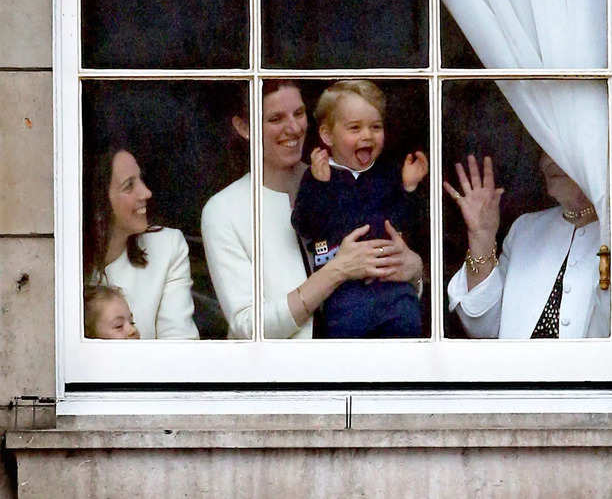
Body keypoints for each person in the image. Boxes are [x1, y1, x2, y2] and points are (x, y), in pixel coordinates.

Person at [201, 80, 424, 339]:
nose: (294, 128)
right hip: (281, 375)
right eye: (275, 119)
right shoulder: (223, 210)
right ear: (244, 127)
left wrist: (414, 269)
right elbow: (248, 326)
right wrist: (337, 271)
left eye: (299, 114)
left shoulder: (340, 178)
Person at [291, 80, 428, 338]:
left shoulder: (388, 174)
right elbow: (305, 224)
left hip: (393, 284)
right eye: (355, 128)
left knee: (407, 328)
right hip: (345, 291)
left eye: (375, 127)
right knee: (348, 349)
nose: (367, 135)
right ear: (327, 135)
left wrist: (408, 188)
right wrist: (321, 186)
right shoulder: (320, 176)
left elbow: (408, 223)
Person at [444, 153, 609, 339]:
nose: (549, 159)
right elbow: (481, 326)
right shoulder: (525, 228)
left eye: (558, 147)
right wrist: (481, 239)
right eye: (544, 149)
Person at [84, 147, 200, 340]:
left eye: (141, 180)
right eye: (129, 186)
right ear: (98, 203)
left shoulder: (167, 246)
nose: (146, 192)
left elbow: (179, 344)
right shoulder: (64, 261)